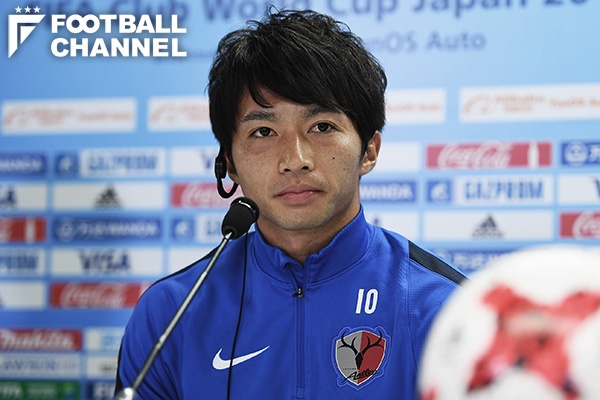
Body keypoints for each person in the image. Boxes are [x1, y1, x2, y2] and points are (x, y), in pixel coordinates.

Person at [115, 8, 466, 399]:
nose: (294, 159)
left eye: (321, 127)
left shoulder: (448, 308)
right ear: (229, 163)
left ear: (369, 150)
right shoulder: (169, 314)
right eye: (263, 131)